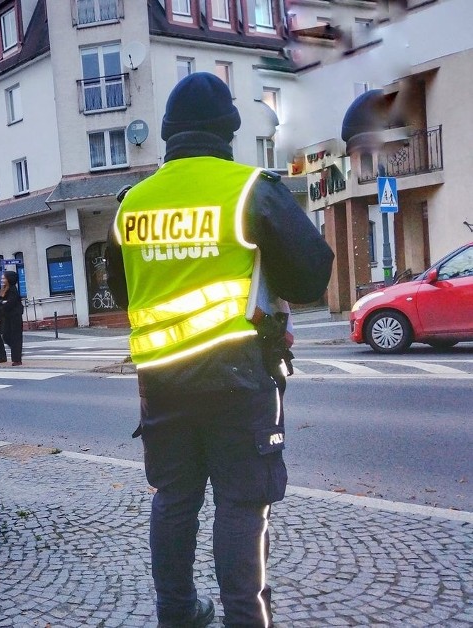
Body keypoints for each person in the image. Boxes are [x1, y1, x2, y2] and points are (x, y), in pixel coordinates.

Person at [106, 72, 334, 628]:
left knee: (174, 499)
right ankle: (245, 619)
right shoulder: (250, 189)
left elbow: (121, 292)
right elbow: (313, 276)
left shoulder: (130, 205)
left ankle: (177, 614)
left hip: (160, 382)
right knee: (241, 504)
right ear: (228, 130)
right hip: (239, 378)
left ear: (168, 134)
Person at [0, 270, 24, 366]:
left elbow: (10, 303)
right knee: (6, 336)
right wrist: (1, 302)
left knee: (16, 337)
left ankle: (17, 359)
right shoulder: (4, 289)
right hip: (7, 316)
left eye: (4, 278)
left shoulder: (13, 289)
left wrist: (2, 303)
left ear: (9, 279)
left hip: (15, 316)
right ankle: (17, 351)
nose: (2, 279)